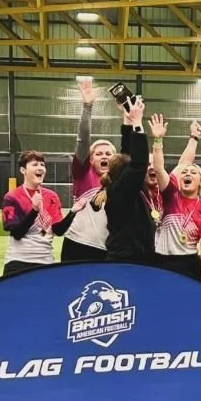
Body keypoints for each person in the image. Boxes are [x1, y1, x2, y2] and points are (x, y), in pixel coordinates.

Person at [147, 113, 201, 283]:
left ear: (200, 182)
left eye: (193, 173)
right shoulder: (170, 194)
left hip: (188, 262)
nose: (187, 173)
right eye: (184, 172)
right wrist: (158, 141)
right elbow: (159, 167)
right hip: (161, 260)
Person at [92, 98, 155, 264]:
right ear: (126, 173)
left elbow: (127, 154)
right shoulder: (121, 191)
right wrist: (137, 123)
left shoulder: (117, 185)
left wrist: (127, 121)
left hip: (128, 256)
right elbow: (138, 162)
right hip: (128, 259)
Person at [2, 150, 85, 275]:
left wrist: (73, 212)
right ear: (23, 170)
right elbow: (17, 233)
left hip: (45, 261)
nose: (40, 168)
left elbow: (58, 230)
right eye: (35, 164)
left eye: (42, 165)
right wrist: (34, 210)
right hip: (18, 261)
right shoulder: (12, 197)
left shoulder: (51, 196)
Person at [61, 77, 116, 263]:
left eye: (109, 153)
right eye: (99, 153)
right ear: (90, 160)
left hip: (107, 249)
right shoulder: (83, 173)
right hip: (78, 245)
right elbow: (83, 141)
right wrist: (87, 107)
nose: (104, 156)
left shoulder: (118, 182)